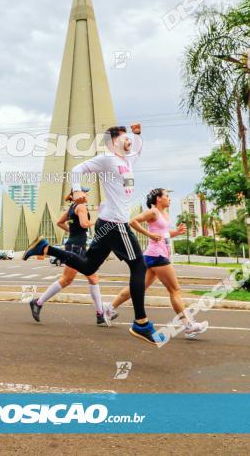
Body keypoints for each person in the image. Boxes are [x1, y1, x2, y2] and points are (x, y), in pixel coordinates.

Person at [24, 124, 162, 345]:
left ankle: (45, 248)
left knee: (88, 267)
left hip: (107, 223)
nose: (129, 142)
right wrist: (77, 189)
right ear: (113, 142)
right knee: (138, 266)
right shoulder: (107, 160)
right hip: (116, 224)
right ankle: (141, 323)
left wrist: (137, 135)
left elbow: (138, 148)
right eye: (124, 138)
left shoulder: (127, 161)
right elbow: (76, 170)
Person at [106, 188, 208, 339]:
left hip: (153, 255)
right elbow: (133, 222)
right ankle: (188, 326)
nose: (169, 198)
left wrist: (176, 233)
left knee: (139, 287)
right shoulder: (153, 212)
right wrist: (150, 235)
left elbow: (163, 234)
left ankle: (109, 308)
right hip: (157, 256)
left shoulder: (165, 214)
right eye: (167, 196)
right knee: (175, 290)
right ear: (158, 198)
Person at [29, 187, 108, 326]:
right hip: (76, 248)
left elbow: (60, 223)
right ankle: (38, 302)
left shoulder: (72, 207)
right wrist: (97, 223)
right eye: (84, 192)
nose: (86, 194)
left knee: (93, 277)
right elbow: (84, 224)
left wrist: (72, 231)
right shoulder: (82, 206)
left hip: (76, 246)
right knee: (66, 280)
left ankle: (100, 314)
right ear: (76, 194)